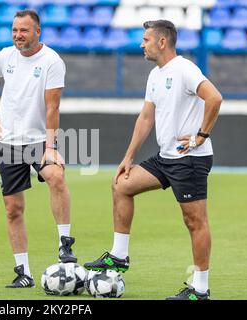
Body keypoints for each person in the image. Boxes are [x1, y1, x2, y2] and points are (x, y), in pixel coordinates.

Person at [84, 20, 223, 300]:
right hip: (165, 158)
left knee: (195, 221)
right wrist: (128, 157)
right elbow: (146, 117)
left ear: (162, 42)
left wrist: (201, 135)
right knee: (122, 184)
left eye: (146, 39)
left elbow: (215, 98)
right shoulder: (156, 75)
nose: (141, 44)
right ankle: (119, 256)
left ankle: (200, 290)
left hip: (190, 160)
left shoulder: (184, 69)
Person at [0, 9, 76, 288]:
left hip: (38, 140)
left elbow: (53, 106)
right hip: (6, 142)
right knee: (13, 209)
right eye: (14, 31)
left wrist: (51, 146)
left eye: (24, 30)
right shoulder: (4, 56)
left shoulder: (52, 61)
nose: (18, 36)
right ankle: (24, 272)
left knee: (56, 177)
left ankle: (64, 244)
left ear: (37, 32)